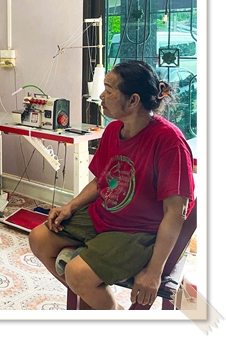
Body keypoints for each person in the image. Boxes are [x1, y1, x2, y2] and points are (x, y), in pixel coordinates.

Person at [28, 60, 195, 310]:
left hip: (141, 232)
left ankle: (112, 317)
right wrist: (70, 207)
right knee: (39, 238)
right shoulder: (113, 130)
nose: (101, 96)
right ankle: (105, 307)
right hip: (106, 215)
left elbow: (176, 212)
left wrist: (154, 271)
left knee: (77, 272)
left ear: (133, 100)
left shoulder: (169, 141)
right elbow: (101, 181)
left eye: (108, 89)